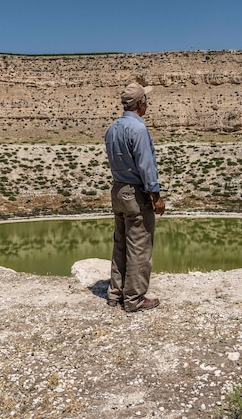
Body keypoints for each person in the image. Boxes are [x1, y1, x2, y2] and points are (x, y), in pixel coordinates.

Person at [104, 82, 165, 312]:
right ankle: (134, 298)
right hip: (135, 194)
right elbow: (146, 167)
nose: (147, 104)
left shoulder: (112, 129)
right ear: (140, 104)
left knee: (120, 243)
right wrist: (156, 197)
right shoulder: (138, 130)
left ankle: (115, 293)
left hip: (118, 190)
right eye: (146, 100)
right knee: (139, 245)